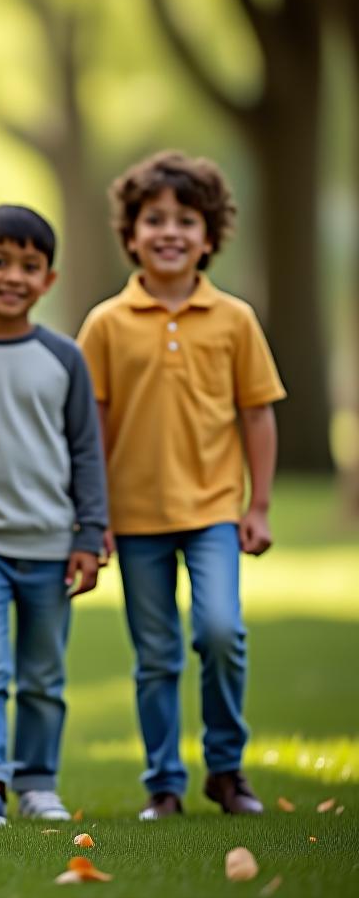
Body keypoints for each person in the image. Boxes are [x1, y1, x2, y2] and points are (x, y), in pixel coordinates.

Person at [77, 151, 286, 820]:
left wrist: (257, 505)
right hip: (134, 517)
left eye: (186, 220)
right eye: (154, 219)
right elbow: (93, 427)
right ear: (131, 234)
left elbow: (257, 413)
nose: (170, 232)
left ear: (210, 234)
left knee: (221, 631)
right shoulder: (107, 322)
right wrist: (94, 514)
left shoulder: (234, 319)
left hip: (214, 512)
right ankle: (163, 782)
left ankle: (226, 770)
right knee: (156, 653)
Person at [0, 205, 107, 826]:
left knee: (42, 674)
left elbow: (87, 450)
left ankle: (37, 781)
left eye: (29, 266)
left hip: (51, 546)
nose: (13, 276)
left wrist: (89, 534)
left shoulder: (65, 358)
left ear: (48, 280)